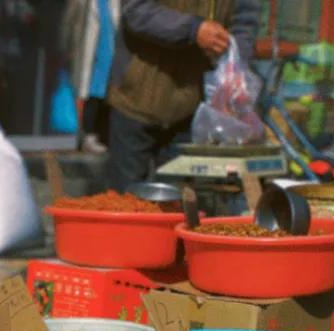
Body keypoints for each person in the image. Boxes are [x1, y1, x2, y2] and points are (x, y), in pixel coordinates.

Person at [105, 0, 258, 190]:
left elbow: (244, 22)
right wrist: (193, 29)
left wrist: (236, 70)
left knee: (178, 205)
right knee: (126, 202)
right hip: (135, 97)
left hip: (190, 106)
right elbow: (136, 10)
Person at [62, 0, 121, 153]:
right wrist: (67, 48)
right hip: (91, 53)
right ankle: (89, 136)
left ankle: (103, 136)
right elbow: (69, 24)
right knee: (92, 92)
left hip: (112, 52)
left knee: (107, 94)